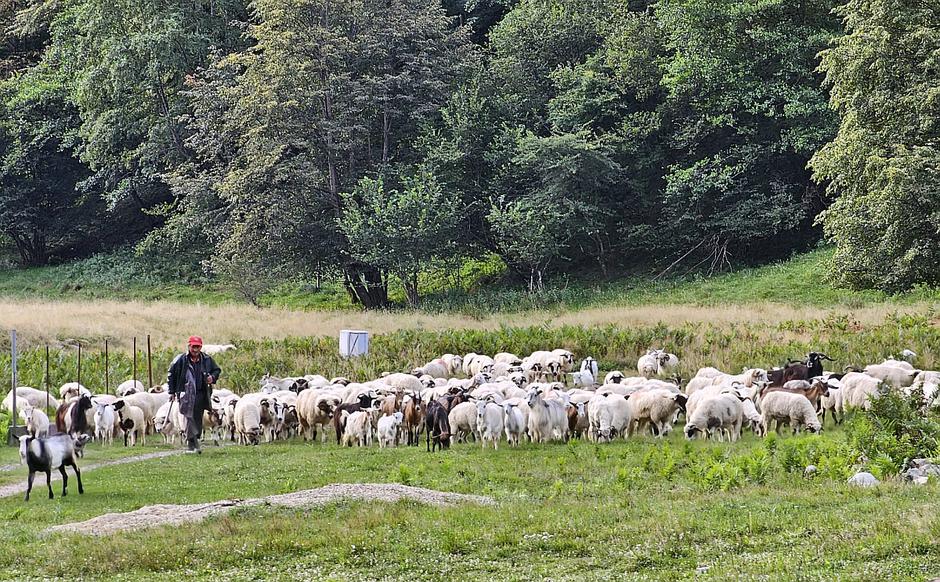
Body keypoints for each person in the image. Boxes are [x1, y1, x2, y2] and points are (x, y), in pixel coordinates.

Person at [167, 336, 221, 453]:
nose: (195, 349)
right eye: (193, 347)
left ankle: (195, 439)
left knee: (197, 417)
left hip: (201, 393)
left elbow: (217, 370)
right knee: (188, 417)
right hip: (185, 393)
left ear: (201, 347)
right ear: (189, 346)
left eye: (197, 347)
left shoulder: (206, 359)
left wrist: (212, 377)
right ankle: (192, 443)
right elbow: (171, 375)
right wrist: (171, 392)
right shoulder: (180, 360)